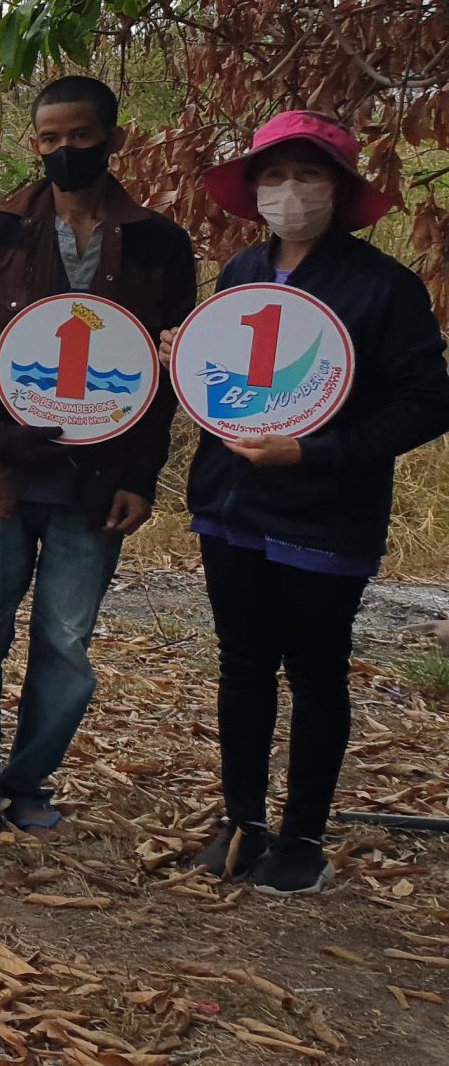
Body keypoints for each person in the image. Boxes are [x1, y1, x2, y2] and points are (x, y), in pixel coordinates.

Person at [178, 112, 449, 893]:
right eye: (273, 177)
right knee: (242, 665)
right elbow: (227, 382)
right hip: (231, 506)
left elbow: (429, 401)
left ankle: (302, 834)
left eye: (308, 177)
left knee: (317, 672)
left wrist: (316, 450)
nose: (288, 192)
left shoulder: (383, 287)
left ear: (339, 190)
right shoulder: (240, 274)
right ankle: (242, 819)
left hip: (325, 513)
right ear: (253, 189)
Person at [0, 75, 196, 840]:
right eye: (49, 139)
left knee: (64, 643)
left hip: (98, 479)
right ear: (35, 143)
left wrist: (142, 477)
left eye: (79, 136)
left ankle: (28, 784)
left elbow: (170, 367)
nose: (63, 151)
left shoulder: (158, 240)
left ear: (112, 139)